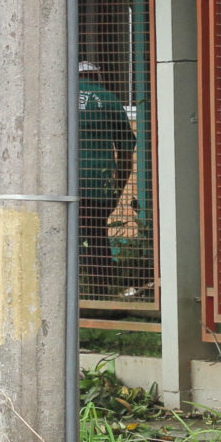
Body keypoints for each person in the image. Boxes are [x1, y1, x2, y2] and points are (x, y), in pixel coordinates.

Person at [76, 61, 136, 295]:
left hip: (64, 185)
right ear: (96, 76)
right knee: (96, 233)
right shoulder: (109, 99)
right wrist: (116, 190)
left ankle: (71, 289)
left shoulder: (58, 99)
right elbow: (125, 149)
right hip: (98, 185)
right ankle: (99, 290)